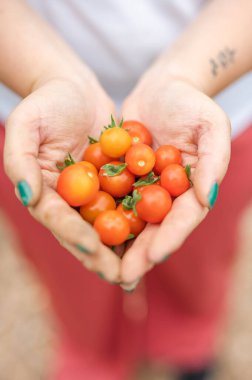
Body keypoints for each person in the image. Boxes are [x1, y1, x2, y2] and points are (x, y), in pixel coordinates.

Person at [0, 0, 252, 379]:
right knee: (71, 276)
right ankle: (92, 352)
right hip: (37, 119)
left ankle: (188, 341)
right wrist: (46, 75)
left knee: (200, 264)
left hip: (212, 116)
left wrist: (185, 76)